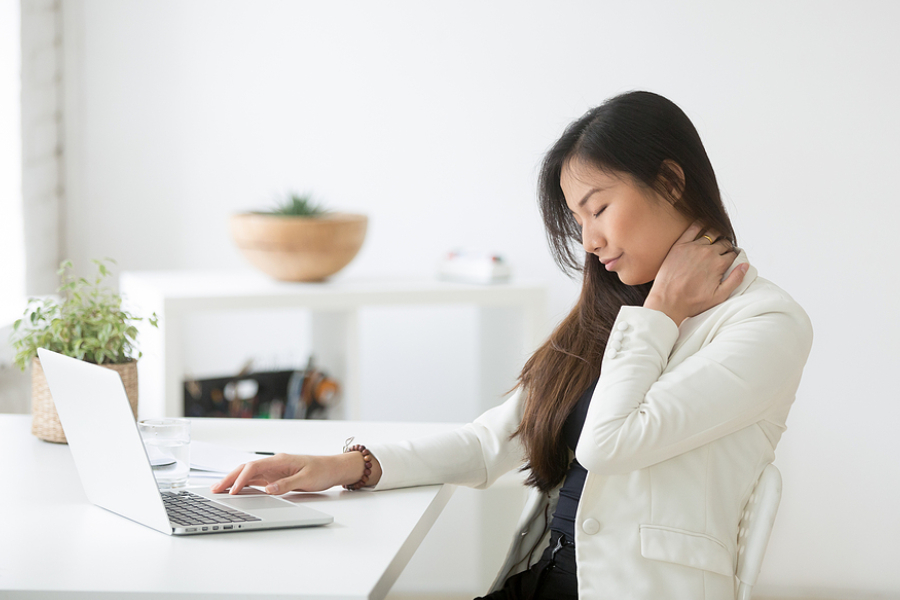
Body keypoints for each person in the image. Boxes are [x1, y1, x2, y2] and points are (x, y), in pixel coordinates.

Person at [212, 91, 813, 600]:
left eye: (598, 208)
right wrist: (348, 466)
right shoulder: (616, 313)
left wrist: (659, 313)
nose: (591, 240)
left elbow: (610, 442)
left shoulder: (766, 324)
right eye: (579, 222)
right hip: (542, 580)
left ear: (671, 181)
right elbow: (486, 443)